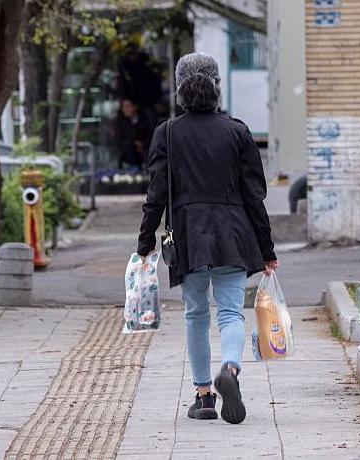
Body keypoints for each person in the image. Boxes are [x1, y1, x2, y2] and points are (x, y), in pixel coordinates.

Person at [137, 52, 279, 425]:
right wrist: (267, 249)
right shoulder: (237, 131)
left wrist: (144, 240)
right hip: (234, 232)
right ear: (216, 87)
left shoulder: (166, 133)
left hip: (188, 234)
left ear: (180, 90)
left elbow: (156, 192)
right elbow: (255, 197)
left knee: (196, 314)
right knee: (231, 312)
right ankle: (230, 371)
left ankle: (203, 398)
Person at [114, 98, 152, 169]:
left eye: (128, 106)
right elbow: (118, 141)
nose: (126, 109)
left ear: (135, 107)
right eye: (123, 107)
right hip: (127, 160)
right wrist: (134, 144)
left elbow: (150, 136)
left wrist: (143, 145)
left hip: (145, 157)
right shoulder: (120, 123)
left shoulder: (144, 120)